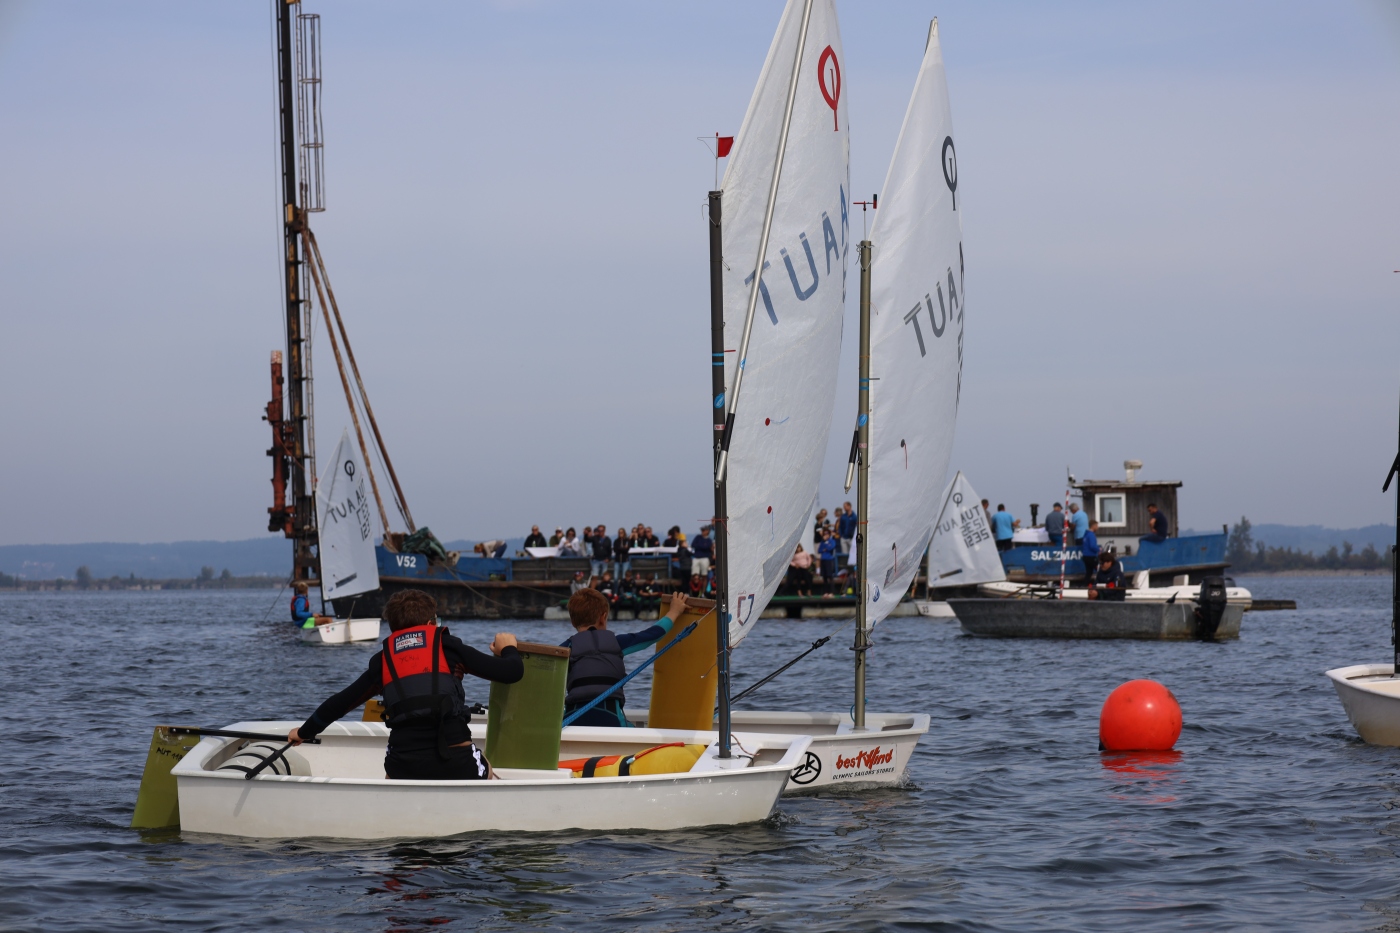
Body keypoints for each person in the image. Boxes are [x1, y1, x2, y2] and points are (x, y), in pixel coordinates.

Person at [286, 589, 521, 780]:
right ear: (430, 623)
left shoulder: (383, 661)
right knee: (486, 767)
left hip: (404, 767)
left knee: (393, 772)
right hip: (456, 763)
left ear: (394, 629)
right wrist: (508, 647)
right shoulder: (449, 647)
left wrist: (304, 732)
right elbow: (512, 672)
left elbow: (339, 704)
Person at [560, 589, 691, 727]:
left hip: (572, 720)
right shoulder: (616, 643)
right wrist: (674, 611)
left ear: (573, 622)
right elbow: (654, 634)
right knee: (635, 730)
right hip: (611, 718)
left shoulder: (564, 650)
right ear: (603, 617)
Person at [817, 528, 839, 597]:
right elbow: (819, 550)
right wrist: (825, 547)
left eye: (827, 534)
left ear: (829, 535)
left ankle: (832, 592)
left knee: (830, 576)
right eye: (824, 534)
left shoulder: (832, 541)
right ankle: (825, 592)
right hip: (823, 560)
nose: (826, 536)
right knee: (825, 577)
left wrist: (826, 546)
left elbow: (830, 548)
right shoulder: (822, 542)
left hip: (829, 560)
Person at [1079, 519, 1101, 585]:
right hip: (1091, 556)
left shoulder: (1086, 534)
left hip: (1085, 556)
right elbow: (1092, 546)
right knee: (1100, 569)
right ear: (1093, 526)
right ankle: (1099, 583)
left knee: (1089, 572)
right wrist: (1099, 549)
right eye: (1097, 526)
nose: (1097, 527)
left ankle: (1084, 585)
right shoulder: (1091, 535)